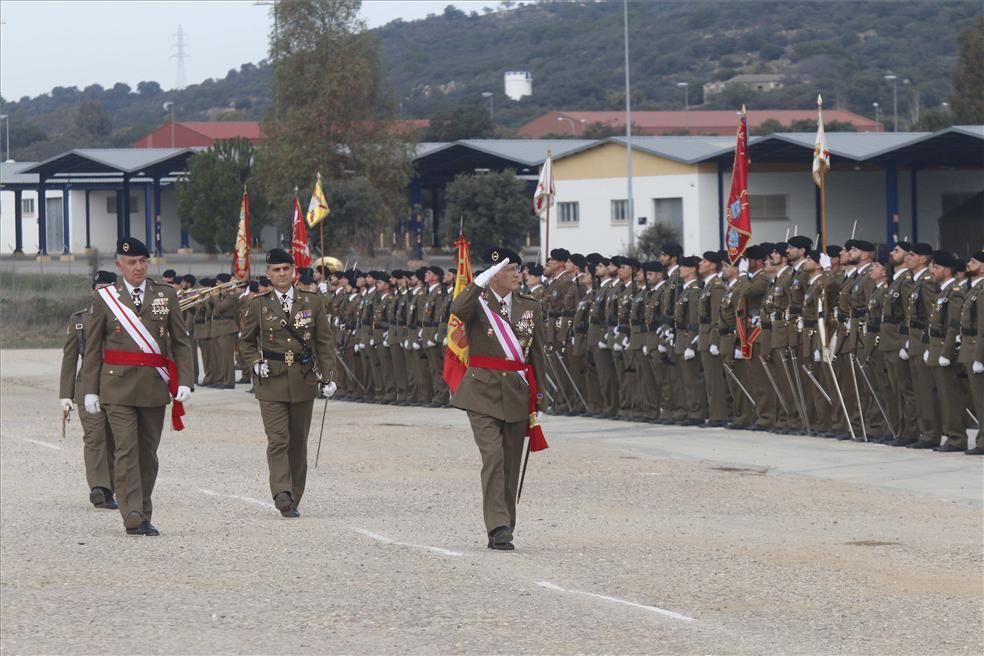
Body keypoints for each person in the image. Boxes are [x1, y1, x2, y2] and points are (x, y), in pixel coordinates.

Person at [80, 238, 193, 536]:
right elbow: (93, 348)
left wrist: (185, 382)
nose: (138, 267)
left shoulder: (166, 295)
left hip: (154, 386)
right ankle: (132, 513)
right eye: (132, 262)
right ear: (120, 266)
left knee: (148, 455)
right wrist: (89, 389)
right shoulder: (106, 298)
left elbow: (181, 342)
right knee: (126, 449)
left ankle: (142, 510)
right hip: (116, 387)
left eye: (143, 261)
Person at [449, 247, 547, 551]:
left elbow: (537, 354)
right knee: (492, 457)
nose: (517, 274)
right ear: (494, 275)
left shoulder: (530, 306)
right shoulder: (478, 302)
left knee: (510, 462)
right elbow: (456, 310)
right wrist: (480, 282)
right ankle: (498, 525)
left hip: (518, 393)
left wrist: (539, 397)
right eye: (510, 269)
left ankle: (505, 525)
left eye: (518, 268)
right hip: (482, 392)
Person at [240, 248, 337, 518]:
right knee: (278, 439)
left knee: (298, 442)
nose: (282, 274)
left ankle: (294, 493)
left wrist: (329, 376)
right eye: (276, 270)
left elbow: (325, 342)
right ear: (268, 274)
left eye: (286, 269)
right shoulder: (258, 305)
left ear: (293, 271)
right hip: (271, 380)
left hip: (303, 378)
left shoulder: (313, 302)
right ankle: (281, 492)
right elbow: (246, 341)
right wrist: (254, 363)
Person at [60, 270, 119, 510]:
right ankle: (99, 488)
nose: (103, 293)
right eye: (99, 288)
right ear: (92, 291)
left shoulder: (126, 319)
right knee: (95, 438)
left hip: (118, 386)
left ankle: (112, 487)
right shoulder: (80, 320)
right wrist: (65, 394)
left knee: (114, 440)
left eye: (108, 288)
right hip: (87, 385)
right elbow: (70, 358)